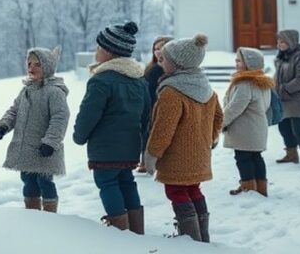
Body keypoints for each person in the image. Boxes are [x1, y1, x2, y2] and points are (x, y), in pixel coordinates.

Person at [72, 21, 150, 234]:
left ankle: (120, 229)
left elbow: (89, 112)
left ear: (108, 51)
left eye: (98, 47)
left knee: (107, 184)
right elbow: (146, 115)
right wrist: (143, 143)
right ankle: (136, 229)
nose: (96, 51)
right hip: (131, 146)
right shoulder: (139, 80)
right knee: (127, 182)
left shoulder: (101, 81)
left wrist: (79, 136)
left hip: (105, 149)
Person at [143, 34, 223, 243]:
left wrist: (151, 155)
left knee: (177, 191)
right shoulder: (205, 87)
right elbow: (218, 116)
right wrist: (210, 139)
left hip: (177, 157)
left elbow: (163, 129)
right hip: (199, 154)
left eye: (165, 59)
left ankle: (190, 239)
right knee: (193, 189)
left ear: (178, 64)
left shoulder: (172, 92)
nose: (161, 62)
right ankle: (201, 237)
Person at [0, 47, 70, 213]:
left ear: (48, 68)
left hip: (44, 150)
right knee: (28, 180)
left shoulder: (54, 92)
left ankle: (50, 215)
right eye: (29, 63)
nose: (31, 68)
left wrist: (50, 142)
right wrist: (3, 125)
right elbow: (14, 110)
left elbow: (60, 118)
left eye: (37, 64)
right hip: (26, 150)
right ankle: (32, 216)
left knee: (45, 182)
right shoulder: (27, 90)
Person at [222, 47, 274, 197]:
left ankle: (249, 188)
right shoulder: (261, 81)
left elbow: (234, 108)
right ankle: (260, 188)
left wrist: (220, 123)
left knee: (243, 158)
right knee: (256, 157)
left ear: (249, 63)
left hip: (245, 130)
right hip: (256, 127)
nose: (236, 63)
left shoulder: (245, 84)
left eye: (239, 60)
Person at [273, 29, 300, 169]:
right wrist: (274, 88)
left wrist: (285, 88)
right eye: (278, 41)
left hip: (297, 99)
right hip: (282, 98)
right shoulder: (281, 56)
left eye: (283, 41)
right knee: (283, 127)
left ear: (291, 42)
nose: (279, 44)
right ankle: (291, 154)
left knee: (298, 129)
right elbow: (277, 76)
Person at [136, 36, 173, 173]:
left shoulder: (167, 69)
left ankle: (153, 162)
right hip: (147, 103)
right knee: (146, 132)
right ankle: (145, 162)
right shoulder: (151, 67)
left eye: (161, 48)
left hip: (160, 104)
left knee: (156, 133)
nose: (157, 52)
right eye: (155, 49)